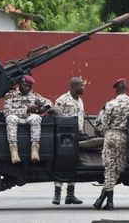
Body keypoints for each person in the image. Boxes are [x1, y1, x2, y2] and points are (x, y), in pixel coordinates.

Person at [93, 78, 129, 210]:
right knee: (118, 167)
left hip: (110, 135)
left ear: (116, 90)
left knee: (110, 167)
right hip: (125, 137)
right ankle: (106, 200)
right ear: (127, 89)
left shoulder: (110, 104)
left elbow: (104, 124)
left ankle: (104, 200)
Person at [4, 75, 53, 164]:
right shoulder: (10, 95)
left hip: (29, 120)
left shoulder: (34, 95)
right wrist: (26, 110)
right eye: (25, 85)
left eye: (30, 87)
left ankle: (34, 150)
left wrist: (43, 109)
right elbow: (6, 112)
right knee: (10, 118)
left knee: (36, 117)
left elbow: (49, 102)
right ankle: (14, 151)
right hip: (16, 119)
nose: (27, 88)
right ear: (19, 84)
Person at [51, 77, 84, 205]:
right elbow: (55, 114)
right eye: (81, 85)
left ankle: (70, 195)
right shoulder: (62, 99)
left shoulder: (80, 100)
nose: (83, 87)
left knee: (73, 163)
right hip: (64, 137)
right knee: (60, 164)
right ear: (73, 87)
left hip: (78, 135)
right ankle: (57, 195)